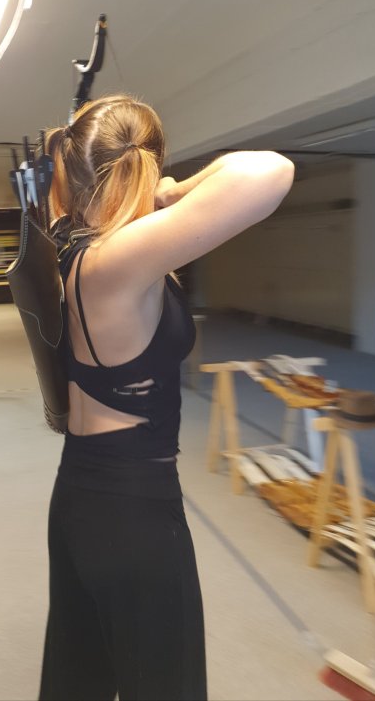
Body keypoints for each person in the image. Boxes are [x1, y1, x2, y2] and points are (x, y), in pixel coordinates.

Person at [38, 94, 294, 701]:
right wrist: (173, 190)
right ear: (146, 167)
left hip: (80, 496)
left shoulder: (69, 245)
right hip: (135, 512)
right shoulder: (117, 261)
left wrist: (123, 181)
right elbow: (271, 171)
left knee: (79, 678)